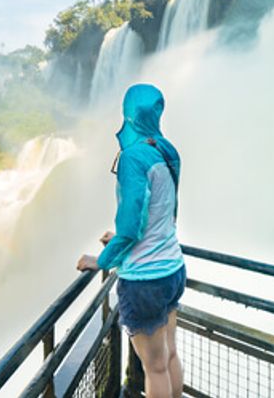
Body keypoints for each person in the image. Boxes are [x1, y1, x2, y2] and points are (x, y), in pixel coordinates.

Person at [77, 83, 185, 398]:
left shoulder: (133, 158)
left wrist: (103, 259)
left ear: (128, 115)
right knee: (169, 356)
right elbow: (163, 215)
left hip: (145, 280)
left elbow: (130, 226)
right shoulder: (165, 152)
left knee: (155, 369)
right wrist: (123, 241)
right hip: (173, 269)